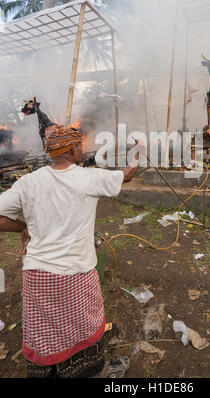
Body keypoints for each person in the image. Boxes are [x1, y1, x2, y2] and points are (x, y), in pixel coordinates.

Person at [0, 124, 141, 378]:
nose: (82, 149)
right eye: (80, 146)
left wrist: (22, 226)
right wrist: (138, 152)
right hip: (75, 274)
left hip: (37, 277)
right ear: (73, 150)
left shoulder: (28, 182)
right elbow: (127, 175)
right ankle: (94, 372)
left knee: (44, 335)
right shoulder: (88, 178)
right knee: (84, 329)